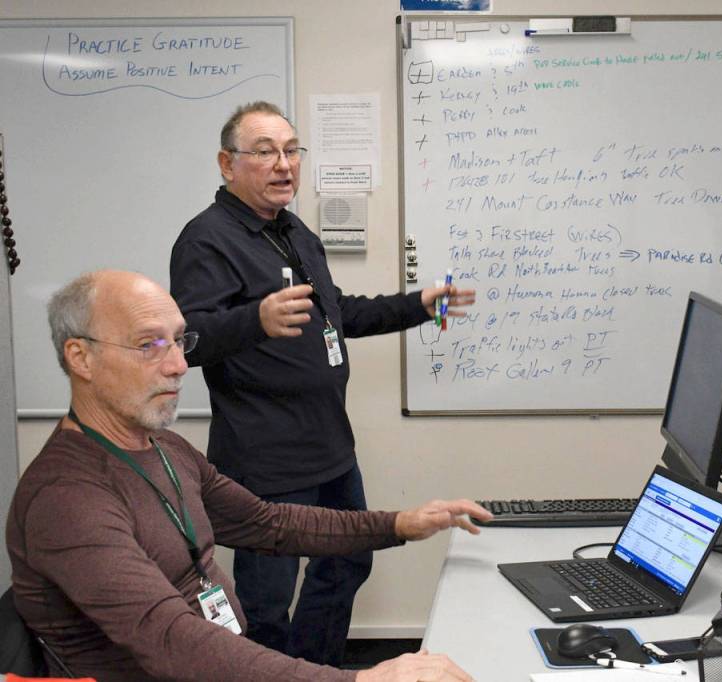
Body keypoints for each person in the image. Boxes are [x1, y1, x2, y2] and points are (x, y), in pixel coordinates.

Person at [6, 270, 487, 682]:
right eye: (149, 345)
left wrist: (400, 523)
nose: (178, 366)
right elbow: (171, 640)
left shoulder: (163, 447)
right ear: (81, 357)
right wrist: (361, 679)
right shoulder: (66, 499)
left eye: (180, 341)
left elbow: (268, 523)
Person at [169, 101, 474, 664]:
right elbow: (187, 340)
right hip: (267, 457)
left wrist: (417, 305)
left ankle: (315, 670)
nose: (283, 164)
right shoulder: (206, 239)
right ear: (227, 163)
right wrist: (255, 318)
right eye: (265, 152)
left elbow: (339, 314)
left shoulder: (292, 230)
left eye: (291, 151)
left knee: (349, 562)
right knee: (266, 602)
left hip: (330, 447)